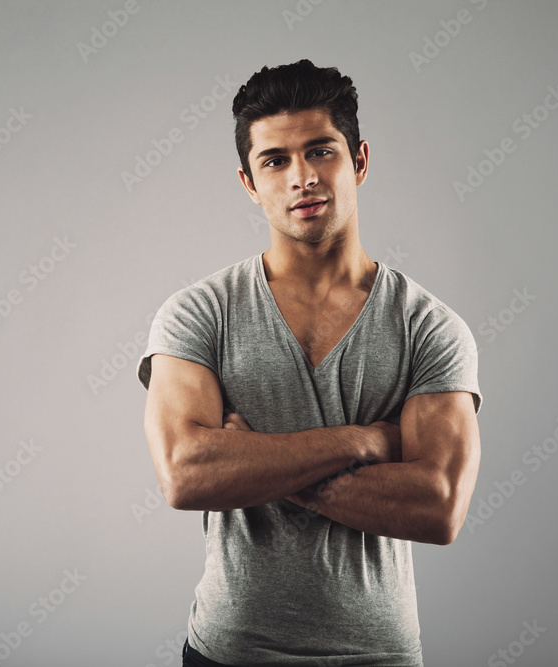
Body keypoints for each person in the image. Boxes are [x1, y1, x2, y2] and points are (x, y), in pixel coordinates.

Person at [136, 59, 482, 667]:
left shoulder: (428, 325)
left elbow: (438, 505)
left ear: (360, 161)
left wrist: (257, 462)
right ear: (249, 181)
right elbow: (187, 475)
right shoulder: (199, 314)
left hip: (377, 656)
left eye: (321, 151)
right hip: (230, 653)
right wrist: (365, 440)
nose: (302, 178)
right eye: (275, 160)